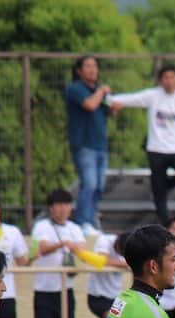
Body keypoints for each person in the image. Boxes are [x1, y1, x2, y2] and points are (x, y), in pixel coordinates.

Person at [108, 64, 175, 225]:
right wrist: (111, 100)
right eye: (165, 78)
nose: (169, 81)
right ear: (160, 81)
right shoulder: (153, 96)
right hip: (156, 149)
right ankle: (166, 223)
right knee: (159, 195)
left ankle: (163, 187)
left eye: (172, 77)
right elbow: (133, 98)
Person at [30, 189, 86, 318]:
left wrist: (72, 247)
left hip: (65, 291)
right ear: (50, 208)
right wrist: (63, 244)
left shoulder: (75, 228)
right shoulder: (41, 226)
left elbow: (82, 251)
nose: (62, 209)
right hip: (44, 291)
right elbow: (41, 248)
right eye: (58, 205)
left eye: (66, 205)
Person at [64, 55, 111, 233]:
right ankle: (83, 222)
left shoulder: (98, 92)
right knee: (89, 183)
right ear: (79, 70)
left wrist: (112, 106)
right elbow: (90, 105)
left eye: (95, 66)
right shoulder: (75, 89)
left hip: (101, 145)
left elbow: (105, 111)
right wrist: (102, 91)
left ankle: (90, 220)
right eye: (88, 66)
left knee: (99, 186)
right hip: (84, 144)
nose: (93, 69)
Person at [86, 231, 131, 318]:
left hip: (117, 297)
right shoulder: (104, 240)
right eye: (120, 251)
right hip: (98, 296)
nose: (120, 254)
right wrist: (124, 263)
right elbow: (102, 261)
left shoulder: (131, 248)